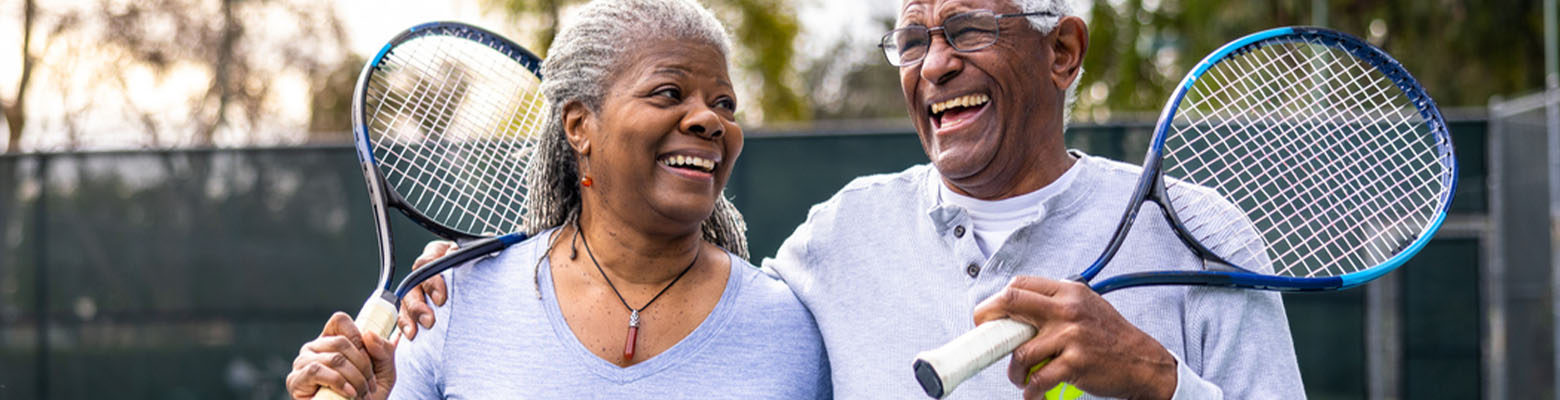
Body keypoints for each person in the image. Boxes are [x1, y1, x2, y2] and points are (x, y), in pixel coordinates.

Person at [401, 0, 1307, 398]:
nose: (936, 62)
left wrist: (1156, 382)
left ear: (1063, 51)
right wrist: (476, 275)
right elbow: (661, 292)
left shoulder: (1198, 235)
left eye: (968, 30)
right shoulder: (834, 246)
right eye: (912, 39)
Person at [283, 0, 830, 398]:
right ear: (578, 125)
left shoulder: (790, 328)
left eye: (725, 103)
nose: (711, 120)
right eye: (669, 92)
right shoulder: (449, 305)